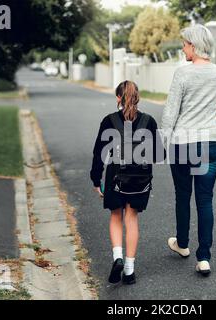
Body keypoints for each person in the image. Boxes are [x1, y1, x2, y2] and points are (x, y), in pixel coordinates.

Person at [161, 24, 216, 276]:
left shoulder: (182, 73)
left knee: (182, 195)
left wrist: (164, 143)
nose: (183, 48)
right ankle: (204, 257)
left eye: (185, 44)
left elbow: (171, 111)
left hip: (183, 143)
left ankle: (183, 244)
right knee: (205, 199)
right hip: (210, 143)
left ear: (194, 45)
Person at [90, 80, 163, 285]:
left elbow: (99, 153)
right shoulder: (148, 121)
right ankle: (129, 271)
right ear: (137, 97)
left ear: (118, 98)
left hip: (115, 177)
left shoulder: (109, 120)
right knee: (132, 219)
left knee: (116, 216)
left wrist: (96, 179)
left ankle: (118, 258)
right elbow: (159, 155)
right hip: (141, 179)